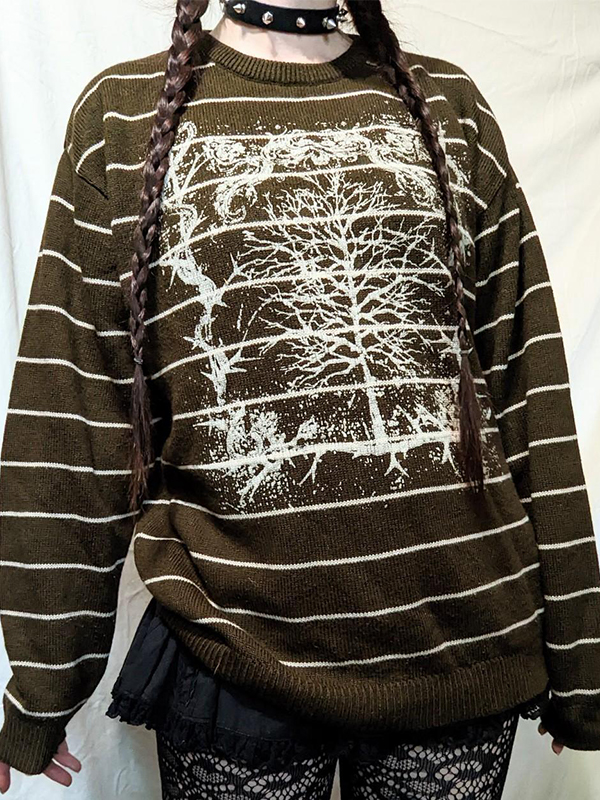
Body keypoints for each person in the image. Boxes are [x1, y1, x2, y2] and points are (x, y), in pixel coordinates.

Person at [0, 0, 599, 796]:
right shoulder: (122, 118)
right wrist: (40, 687)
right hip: (237, 652)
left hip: (457, 645)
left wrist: (582, 659)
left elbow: (530, 388)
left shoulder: (449, 107)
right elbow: (71, 415)